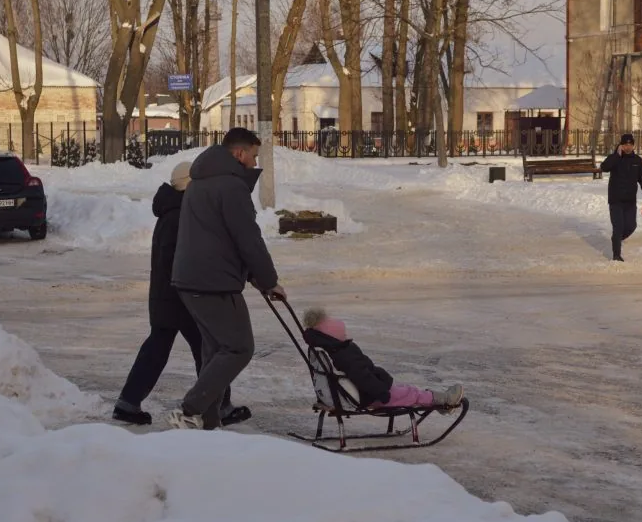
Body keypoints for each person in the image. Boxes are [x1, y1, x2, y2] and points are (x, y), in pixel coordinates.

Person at [167, 127, 286, 430]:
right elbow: (247, 239)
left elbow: (221, 237)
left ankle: (208, 422)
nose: (254, 163)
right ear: (239, 153)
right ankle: (190, 409)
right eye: (253, 156)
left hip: (191, 279)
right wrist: (268, 279)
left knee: (216, 350)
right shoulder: (230, 186)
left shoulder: (200, 181)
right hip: (213, 282)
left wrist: (254, 277)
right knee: (238, 348)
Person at [112, 162, 245, 426]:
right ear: (189, 184)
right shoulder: (179, 214)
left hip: (169, 297)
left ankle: (128, 402)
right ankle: (221, 406)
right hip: (180, 297)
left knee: (162, 350)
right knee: (208, 349)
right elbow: (174, 259)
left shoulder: (175, 210)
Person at [301, 307, 464, 412]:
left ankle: (439, 405)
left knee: (403, 389)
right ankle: (444, 400)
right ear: (334, 337)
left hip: (357, 392)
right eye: (342, 334)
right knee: (409, 393)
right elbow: (361, 375)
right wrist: (381, 393)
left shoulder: (326, 349)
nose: (345, 337)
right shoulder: (343, 353)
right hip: (369, 394)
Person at [600, 133, 642, 262]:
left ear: (633, 145)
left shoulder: (637, 161)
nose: (628, 147)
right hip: (616, 200)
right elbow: (604, 167)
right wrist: (617, 155)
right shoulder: (615, 158)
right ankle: (616, 255)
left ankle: (616, 239)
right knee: (618, 227)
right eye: (625, 145)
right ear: (621, 145)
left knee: (631, 226)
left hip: (630, 201)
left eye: (630, 144)